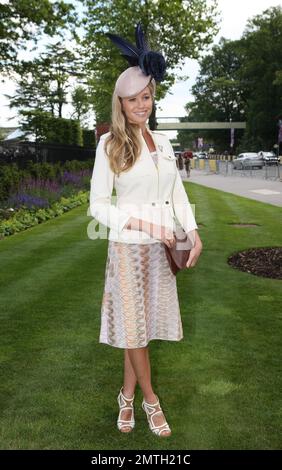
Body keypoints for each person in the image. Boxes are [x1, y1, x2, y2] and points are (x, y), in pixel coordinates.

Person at [89, 22, 202, 438]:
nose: (142, 105)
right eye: (134, 99)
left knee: (142, 329)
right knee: (134, 328)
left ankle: (125, 394)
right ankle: (150, 400)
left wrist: (193, 230)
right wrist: (143, 223)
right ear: (120, 103)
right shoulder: (110, 145)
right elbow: (98, 205)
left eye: (147, 96)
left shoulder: (165, 143)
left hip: (162, 250)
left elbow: (178, 195)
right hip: (128, 246)